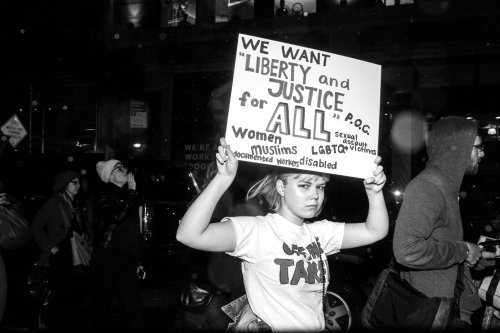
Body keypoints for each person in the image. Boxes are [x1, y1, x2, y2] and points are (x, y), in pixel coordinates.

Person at [176, 137, 389, 332]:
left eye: (321, 187)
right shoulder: (258, 231)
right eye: (304, 185)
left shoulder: (321, 232)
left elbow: (375, 231)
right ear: (281, 187)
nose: (315, 195)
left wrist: (375, 193)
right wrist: (223, 179)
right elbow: (189, 234)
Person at [392, 116, 496, 328]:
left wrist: (473, 255)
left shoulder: (447, 187)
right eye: (478, 147)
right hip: (432, 311)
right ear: (456, 149)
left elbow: (442, 243)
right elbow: (407, 251)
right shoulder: (427, 187)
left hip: (451, 304)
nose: (482, 153)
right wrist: (463, 251)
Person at [31, 170, 92, 331]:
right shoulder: (54, 202)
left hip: (76, 254)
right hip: (61, 254)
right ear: (64, 185)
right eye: (74, 182)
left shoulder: (77, 203)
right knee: (61, 294)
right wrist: (50, 248)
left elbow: (81, 227)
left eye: (79, 182)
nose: (78, 185)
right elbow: (35, 226)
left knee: (76, 293)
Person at [87, 159, 144, 331]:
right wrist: (132, 193)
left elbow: (133, 231)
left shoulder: (128, 196)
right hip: (108, 257)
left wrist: (139, 260)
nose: (125, 170)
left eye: (124, 167)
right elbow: (117, 217)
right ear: (110, 176)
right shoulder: (104, 195)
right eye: (119, 168)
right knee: (97, 304)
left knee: (133, 304)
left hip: (125, 257)